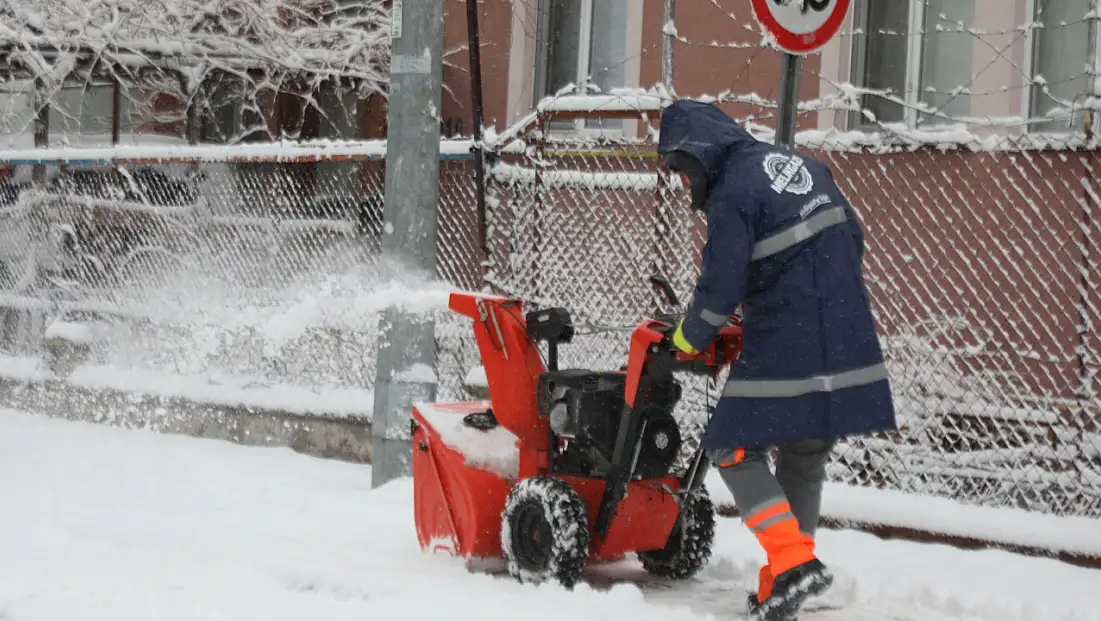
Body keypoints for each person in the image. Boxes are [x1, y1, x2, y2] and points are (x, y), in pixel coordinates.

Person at [658, 99, 897, 621]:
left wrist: (689, 336)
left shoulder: (731, 192)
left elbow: (720, 288)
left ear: (699, 154)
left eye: (681, 171)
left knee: (732, 448)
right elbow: (851, 239)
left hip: (793, 327)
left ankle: (792, 563)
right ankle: (783, 583)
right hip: (847, 319)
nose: (683, 184)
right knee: (804, 451)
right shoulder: (802, 165)